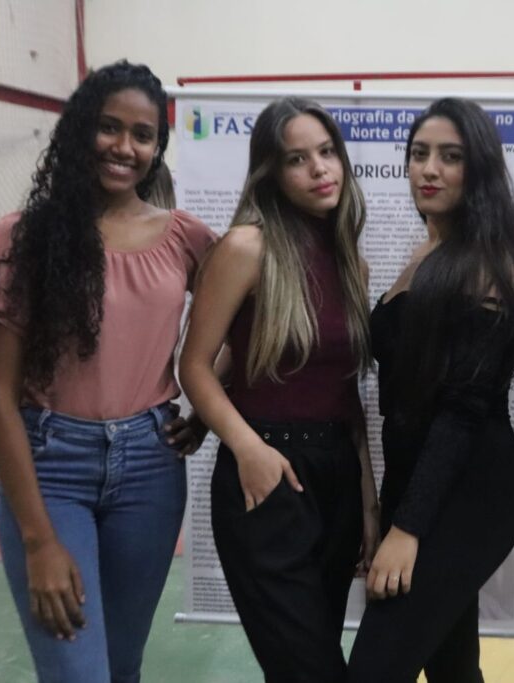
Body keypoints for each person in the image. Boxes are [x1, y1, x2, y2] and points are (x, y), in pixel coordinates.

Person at [0, 61, 216, 683]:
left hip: (150, 470)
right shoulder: (25, 236)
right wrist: (38, 541)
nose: (124, 147)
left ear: (157, 148)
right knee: (78, 673)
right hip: (51, 467)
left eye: (143, 135)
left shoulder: (185, 238)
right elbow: (1, 398)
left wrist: (208, 410)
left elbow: (244, 324)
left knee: (122, 669)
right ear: (80, 128)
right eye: (109, 127)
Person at [178, 97, 378, 683]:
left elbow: (348, 394)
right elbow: (194, 366)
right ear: (271, 171)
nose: (320, 168)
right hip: (266, 476)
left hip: (337, 477)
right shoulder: (246, 247)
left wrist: (369, 503)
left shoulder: (350, 261)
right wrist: (248, 448)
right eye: (297, 158)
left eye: (327, 151)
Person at [346, 98, 514, 683]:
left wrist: (408, 529)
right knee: (452, 666)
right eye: (419, 154)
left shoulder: (489, 265)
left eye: (450, 157)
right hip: (421, 479)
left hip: (471, 489)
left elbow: (460, 412)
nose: (429, 169)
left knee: (375, 668)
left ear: (477, 171)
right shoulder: (427, 251)